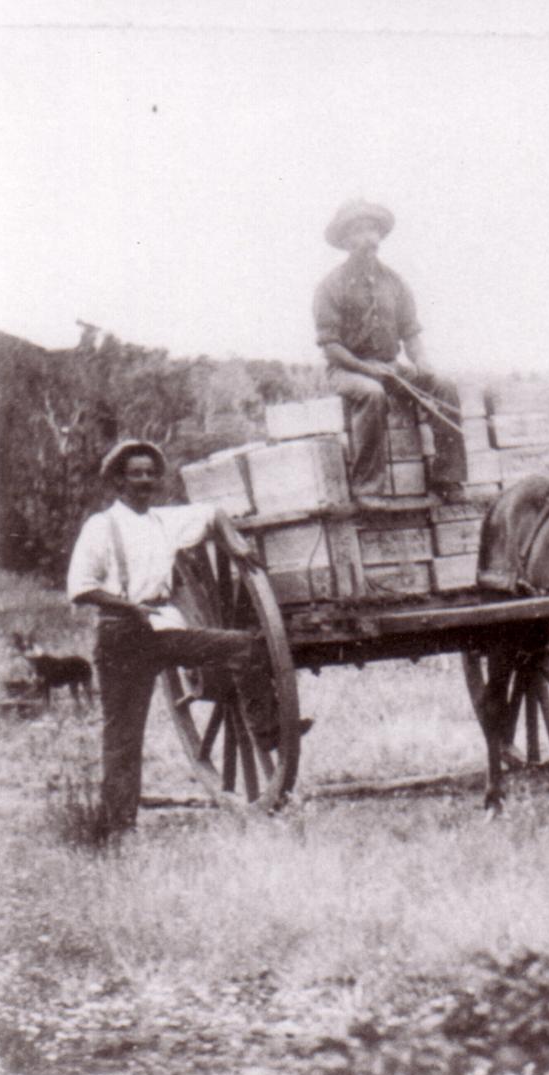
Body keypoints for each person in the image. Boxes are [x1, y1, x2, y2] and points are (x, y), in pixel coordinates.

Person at [67, 440, 271, 833]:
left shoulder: (163, 521)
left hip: (162, 627)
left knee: (243, 647)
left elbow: (212, 514)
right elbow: (80, 587)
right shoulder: (101, 526)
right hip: (121, 635)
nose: (144, 480)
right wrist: (129, 607)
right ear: (118, 481)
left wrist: (234, 540)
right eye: (135, 474)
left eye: (149, 473)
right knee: (124, 735)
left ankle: (267, 729)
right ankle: (118, 828)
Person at [313, 198, 468, 504]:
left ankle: (448, 478)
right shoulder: (330, 286)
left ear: (380, 237)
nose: (368, 238)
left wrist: (421, 360)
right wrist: (365, 368)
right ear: (345, 241)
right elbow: (330, 346)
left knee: (443, 387)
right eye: (358, 232)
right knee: (372, 393)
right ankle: (367, 489)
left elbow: (411, 332)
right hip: (347, 370)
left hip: (390, 366)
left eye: (373, 231)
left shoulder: (395, 283)